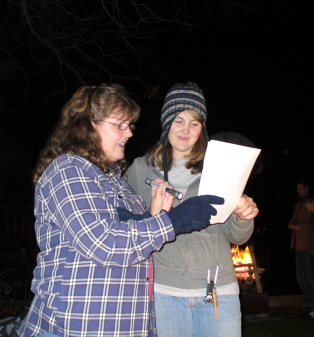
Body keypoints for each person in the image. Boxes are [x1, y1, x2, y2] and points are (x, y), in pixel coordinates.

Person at [17, 83, 225, 337]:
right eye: (120, 125)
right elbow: (103, 243)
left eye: (130, 126)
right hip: (72, 326)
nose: (129, 134)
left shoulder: (115, 181)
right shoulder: (69, 170)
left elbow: (134, 241)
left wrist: (155, 215)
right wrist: (175, 220)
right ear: (88, 124)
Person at [123, 81, 259, 337]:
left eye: (194, 123)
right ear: (166, 123)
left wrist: (243, 216)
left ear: (202, 129)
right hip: (163, 294)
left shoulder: (220, 167)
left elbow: (237, 236)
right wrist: (151, 217)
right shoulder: (140, 170)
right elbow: (124, 228)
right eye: (179, 120)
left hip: (218, 293)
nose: (186, 130)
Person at [287, 179, 314, 311]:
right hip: (298, 245)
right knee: (300, 275)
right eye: (297, 189)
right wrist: (292, 225)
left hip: (309, 245)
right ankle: (308, 299)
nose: (298, 192)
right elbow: (292, 220)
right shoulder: (298, 205)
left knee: (310, 275)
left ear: (307, 189)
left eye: (300, 189)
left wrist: (300, 227)